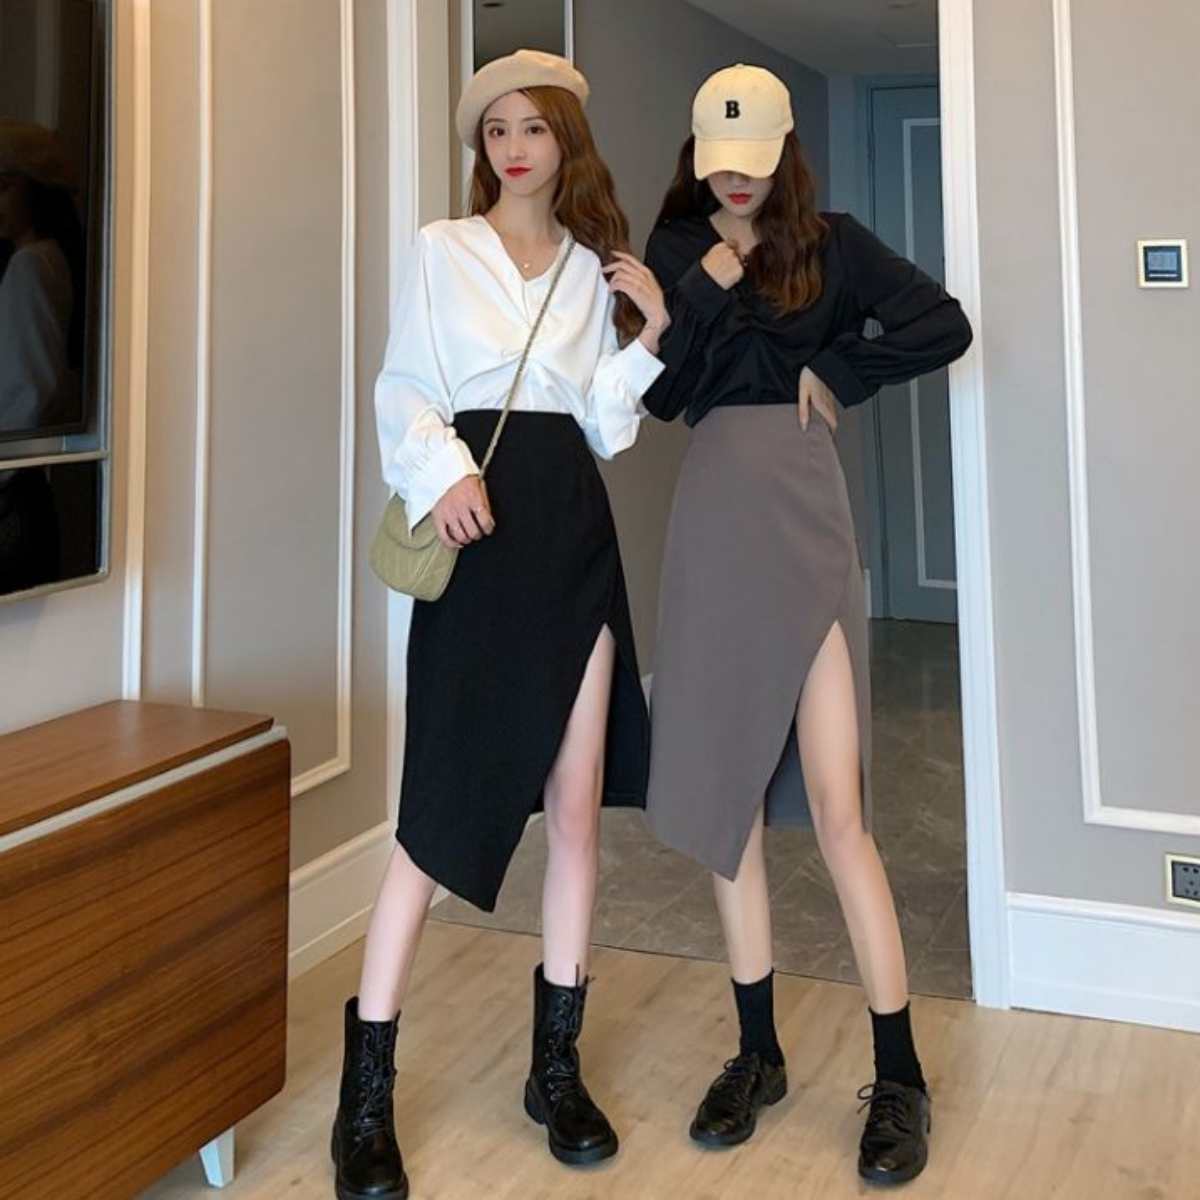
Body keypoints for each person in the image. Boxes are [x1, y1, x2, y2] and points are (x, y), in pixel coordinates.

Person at [331, 50, 669, 1200]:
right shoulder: (442, 249)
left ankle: (554, 1073)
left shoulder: (585, 269)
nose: (515, 148)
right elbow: (403, 389)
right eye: (497, 131)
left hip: (574, 537)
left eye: (534, 128)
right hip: (479, 535)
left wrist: (646, 338)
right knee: (438, 812)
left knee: (576, 807)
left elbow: (603, 426)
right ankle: (365, 1101)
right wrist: (444, 475)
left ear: (566, 140)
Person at [642, 64, 973, 1186]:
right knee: (727, 803)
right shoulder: (676, 247)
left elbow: (942, 323)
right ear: (696, 155)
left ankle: (900, 1077)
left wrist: (840, 368)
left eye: (753, 160)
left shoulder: (835, 244)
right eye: (718, 160)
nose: (734, 179)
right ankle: (759, 1055)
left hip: (804, 520)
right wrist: (702, 288)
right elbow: (661, 396)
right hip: (712, 526)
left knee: (840, 812)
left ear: (785, 152)